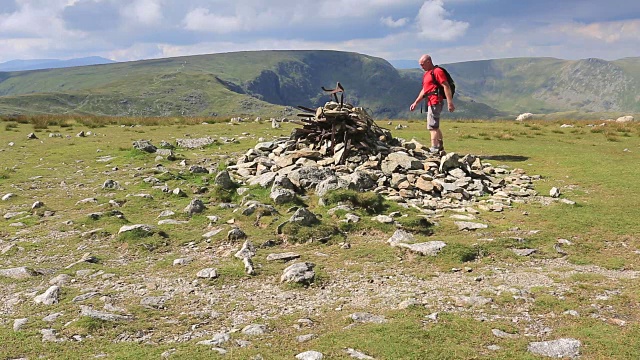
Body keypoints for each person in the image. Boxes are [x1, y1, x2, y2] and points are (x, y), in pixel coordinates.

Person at [409, 54, 455, 153]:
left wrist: (449, 102)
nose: (421, 67)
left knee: (432, 125)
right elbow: (425, 90)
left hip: (435, 100)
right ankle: (440, 145)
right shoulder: (427, 74)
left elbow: (445, 86)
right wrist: (416, 102)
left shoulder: (437, 71)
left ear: (429, 62)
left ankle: (434, 147)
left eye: (422, 64)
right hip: (429, 100)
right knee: (435, 125)